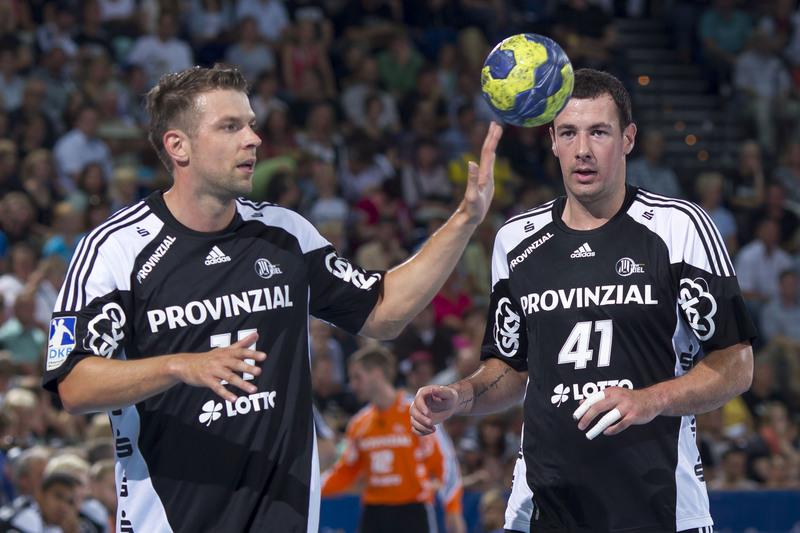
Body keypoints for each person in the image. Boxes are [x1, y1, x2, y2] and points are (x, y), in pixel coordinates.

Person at [42, 64, 500, 533]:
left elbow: (383, 312)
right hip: (168, 518)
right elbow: (72, 384)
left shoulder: (285, 234)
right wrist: (180, 366)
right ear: (178, 146)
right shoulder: (115, 249)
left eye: (251, 124)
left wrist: (466, 218)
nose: (253, 139)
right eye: (230, 126)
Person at [410, 69, 756, 532]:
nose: (583, 149)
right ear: (552, 141)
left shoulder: (679, 228)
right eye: (569, 133)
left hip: (660, 506)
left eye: (599, 132)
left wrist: (650, 400)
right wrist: (460, 396)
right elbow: (511, 367)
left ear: (628, 138)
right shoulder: (516, 240)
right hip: (541, 507)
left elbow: (736, 362)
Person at [321, 345, 465, 533]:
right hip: (374, 514)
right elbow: (345, 471)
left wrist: (453, 510)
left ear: (377, 373)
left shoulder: (416, 412)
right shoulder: (358, 423)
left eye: (357, 377)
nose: (353, 385)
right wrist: (308, 489)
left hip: (412, 511)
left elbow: (445, 463)